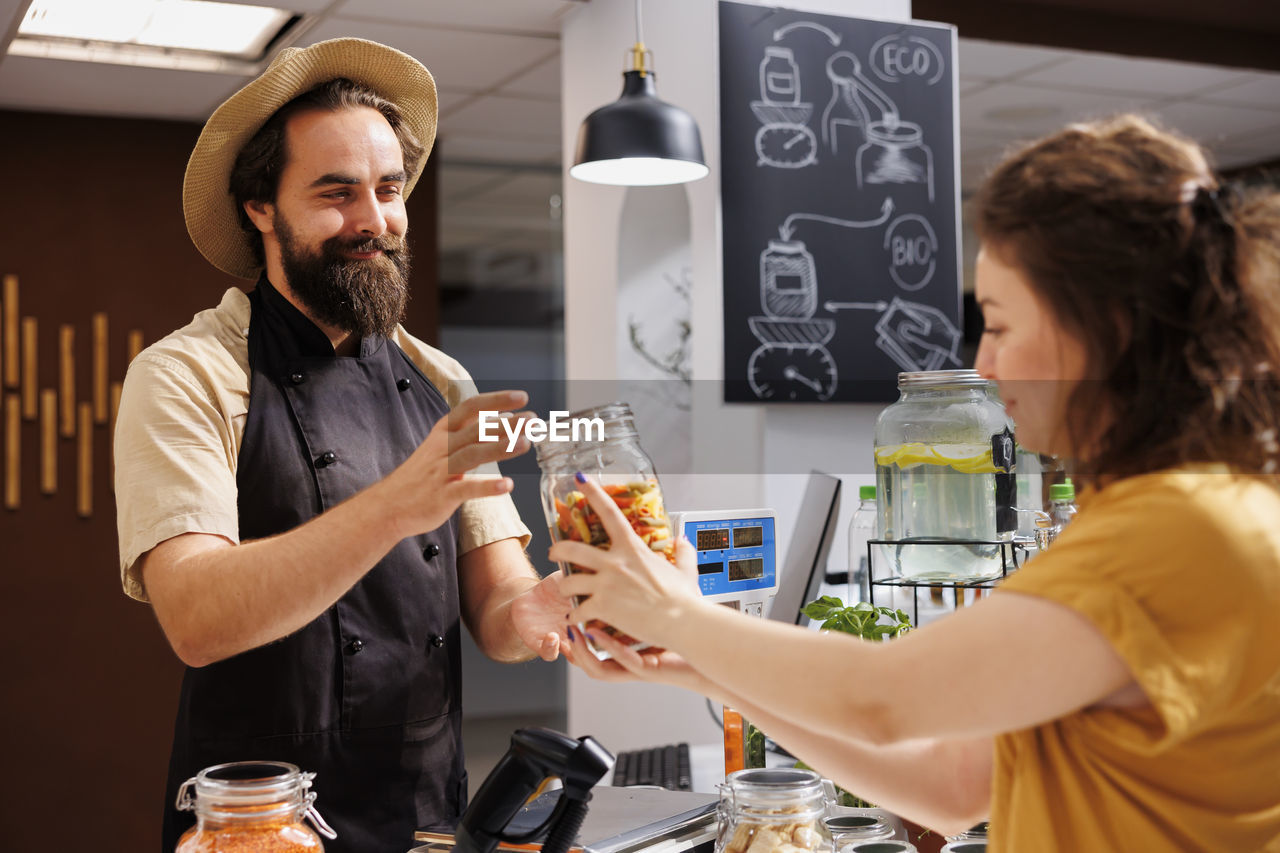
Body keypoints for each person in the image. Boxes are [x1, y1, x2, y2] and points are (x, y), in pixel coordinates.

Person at [557, 115, 1280, 852]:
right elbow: (952, 783)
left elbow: (885, 697)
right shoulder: (1169, 510)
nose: (985, 364)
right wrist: (697, 663)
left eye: (997, 324)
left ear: (1107, 328)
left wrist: (679, 615)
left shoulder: (1178, 530)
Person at [113, 39, 569, 853]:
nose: (374, 221)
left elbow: (498, 612)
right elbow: (196, 617)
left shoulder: (443, 380)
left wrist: (545, 608)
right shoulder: (188, 376)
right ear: (261, 207)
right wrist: (397, 503)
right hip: (255, 829)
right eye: (336, 193)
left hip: (428, 821)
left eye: (389, 189)